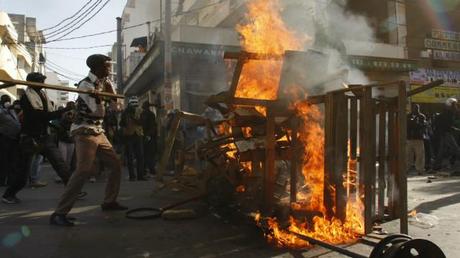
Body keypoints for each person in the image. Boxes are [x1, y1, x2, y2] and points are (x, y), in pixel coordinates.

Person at [51, 54, 127, 226]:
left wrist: (111, 92)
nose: (109, 69)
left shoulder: (106, 84)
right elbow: (99, 112)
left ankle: (109, 201)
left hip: (98, 131)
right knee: (83, 170)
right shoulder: (85, 84)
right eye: (107, 66)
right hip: (84, 130)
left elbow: (118, 108)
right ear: (96, 67)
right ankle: (59, 213)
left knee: (115, 165)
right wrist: (99, 96)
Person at [2, 73, 73, 204]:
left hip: (44, 137)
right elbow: (40, 117)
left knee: (60, 164)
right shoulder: (26, 98)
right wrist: (62, 111)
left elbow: (45, 118)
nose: (44, 81)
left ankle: (73, 190)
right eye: (41, 80)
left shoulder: (42, 95)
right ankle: (9, 194)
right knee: (23, 173)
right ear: (34, 82)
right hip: (29, 138)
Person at [120, 98, 146, 181]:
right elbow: (121, 123)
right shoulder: (125, 112)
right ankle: (132, 176)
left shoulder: (140, 111)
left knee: (140, 156)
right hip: (129, 136)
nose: (134, 106)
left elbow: (142, 122)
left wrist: (133, 118)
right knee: (130, 157)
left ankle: (140, 176)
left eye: (135, 105)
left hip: (138, 135)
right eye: (133, 104)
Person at [433, 98, 460, 171]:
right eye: (455, 105)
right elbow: (447, 126)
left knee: (442, 151)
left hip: (444, 133)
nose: (456, 106)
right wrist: (455, 129)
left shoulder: (449, 113)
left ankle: (436, 166)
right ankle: (437, 166)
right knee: (456, 149)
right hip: (446, 134)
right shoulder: (449, 114)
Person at [0, 95, 21, 187]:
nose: (8, 101)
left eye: (8, 100)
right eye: (5, 100)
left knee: (13, 160)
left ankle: (11, 180)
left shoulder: (12, 110)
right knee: (4, 160)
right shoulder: (1, 110)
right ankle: (2, 180)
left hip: (14, 138)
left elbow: (16, 120)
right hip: (4, 137)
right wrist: (6, 108)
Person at [406, 104, 427, 175]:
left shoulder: (421, 116)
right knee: (408, 155)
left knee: (420, 155)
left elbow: (424, 126)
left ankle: (420, 169)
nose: (416, 110)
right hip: (409, 138)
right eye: (414, 108)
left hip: (418, 138)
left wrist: (417, 123)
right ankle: (406, 168)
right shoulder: (408, 116)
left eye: (417, 108)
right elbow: (406, 126)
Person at [140, 101, 157, 175]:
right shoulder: (150, 114)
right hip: (149, 136)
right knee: (150, 154)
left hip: (144, 136)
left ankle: (144, 170)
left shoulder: (143, 114)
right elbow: (152, 126)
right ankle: (151, 170)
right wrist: (149, 135)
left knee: (145, 153)